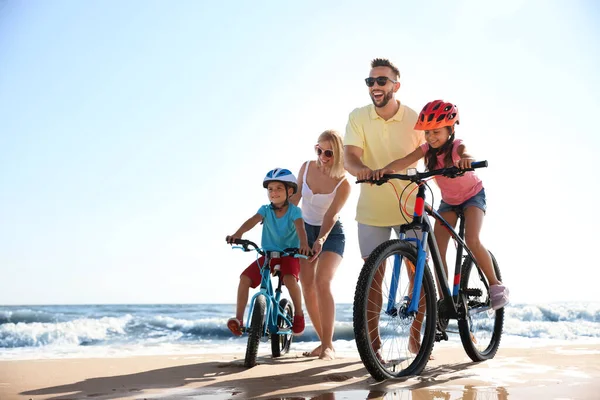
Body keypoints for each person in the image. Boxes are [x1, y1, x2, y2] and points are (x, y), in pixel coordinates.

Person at [373, 99, 510, 310]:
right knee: (437, 249)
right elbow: (404, 161)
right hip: (449, 203)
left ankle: (496, 286)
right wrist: (384, 171)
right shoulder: (427, 149)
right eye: (427, 133)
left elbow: (466, 154)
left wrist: (465, 162)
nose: (431, 137)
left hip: (472, 197)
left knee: (472, 239)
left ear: (451, 129)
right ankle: (445, 298)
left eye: (436, 132)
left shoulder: (457, 146)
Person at [343, 58, 425, 361]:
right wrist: (362, 169)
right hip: (371, 209)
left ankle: (417, 339)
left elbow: (427, 151)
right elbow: (349, 156)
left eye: (381, 81)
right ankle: (373, 345)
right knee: (372, 277)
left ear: (396, 85)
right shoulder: (358, 117)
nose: (375, 87)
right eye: (370, 82)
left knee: (418, 275)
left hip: (409, 206)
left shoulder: (413, 118)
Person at [225, 168, 311, 337]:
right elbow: (252, 220)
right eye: (270, 189)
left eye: (279, 188)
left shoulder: (294, 211)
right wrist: (238, 234)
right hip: (268, 255)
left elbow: (300, 228)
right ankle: (239, 320)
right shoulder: (265, 210)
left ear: (290, 191)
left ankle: (299, 314)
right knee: (244, 278)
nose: (274, 192)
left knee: (289, 279)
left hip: (289, 255)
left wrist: (303, 244)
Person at [290, 130, 351, 360]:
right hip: (305, 231)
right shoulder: (306, 168)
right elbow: (295, 200)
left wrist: (321, 239)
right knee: (306, 285)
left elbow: (331, 215)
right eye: (319, 150)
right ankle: (323, 341)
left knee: (321, 281)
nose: (322, 156)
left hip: (332, 234)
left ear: (338, 155)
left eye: (329, 153)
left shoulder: (343, 183)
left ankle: (327, 346)